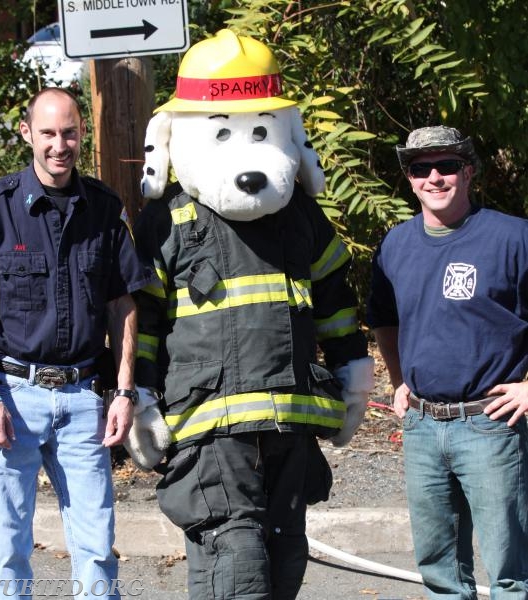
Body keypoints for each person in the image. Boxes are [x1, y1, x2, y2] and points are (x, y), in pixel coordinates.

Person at [124, 30, 374, 600]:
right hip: (210, 431)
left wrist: (353, 376)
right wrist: (140, 399)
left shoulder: (302, 218)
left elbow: (335, 302)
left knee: (286, 559)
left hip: (290, 420)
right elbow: (142, 322)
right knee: (235, 571)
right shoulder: (168, 222)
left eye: (260, 130)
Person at [0, 88, 154, 599]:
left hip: (84, 399)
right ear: (27, 134)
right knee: (10, 549)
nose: (60, 145)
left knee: (97, 547)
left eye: (69, 133)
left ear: (82, 133)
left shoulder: (105, 210)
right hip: (13, 400)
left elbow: (123, 304)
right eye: (48, 134)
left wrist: (124, 392)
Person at [367, 125, 528, 598]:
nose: (434, 177)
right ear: (409, 179)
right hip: (421, 425)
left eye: (447, 166)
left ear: (469, 171)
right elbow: (385, 319)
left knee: (511, 573)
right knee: (439, 571)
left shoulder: (513, 237)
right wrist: (397, 380)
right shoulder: (395, 245)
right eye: (421, 168)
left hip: (490, 424)